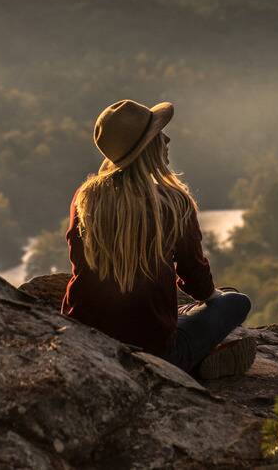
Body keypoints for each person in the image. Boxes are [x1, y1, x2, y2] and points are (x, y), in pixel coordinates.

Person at [61, 99, 256, 379]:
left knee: (195, 306)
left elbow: (78, 262)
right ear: (147, 148)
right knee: (235, 301)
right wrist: (213, 297)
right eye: (158, 135)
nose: (167, 139)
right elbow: (194, 277)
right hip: (153, 351)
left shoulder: (87, 199)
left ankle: (198, 349)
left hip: (85, 339)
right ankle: (196, 364)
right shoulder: (173, 202)